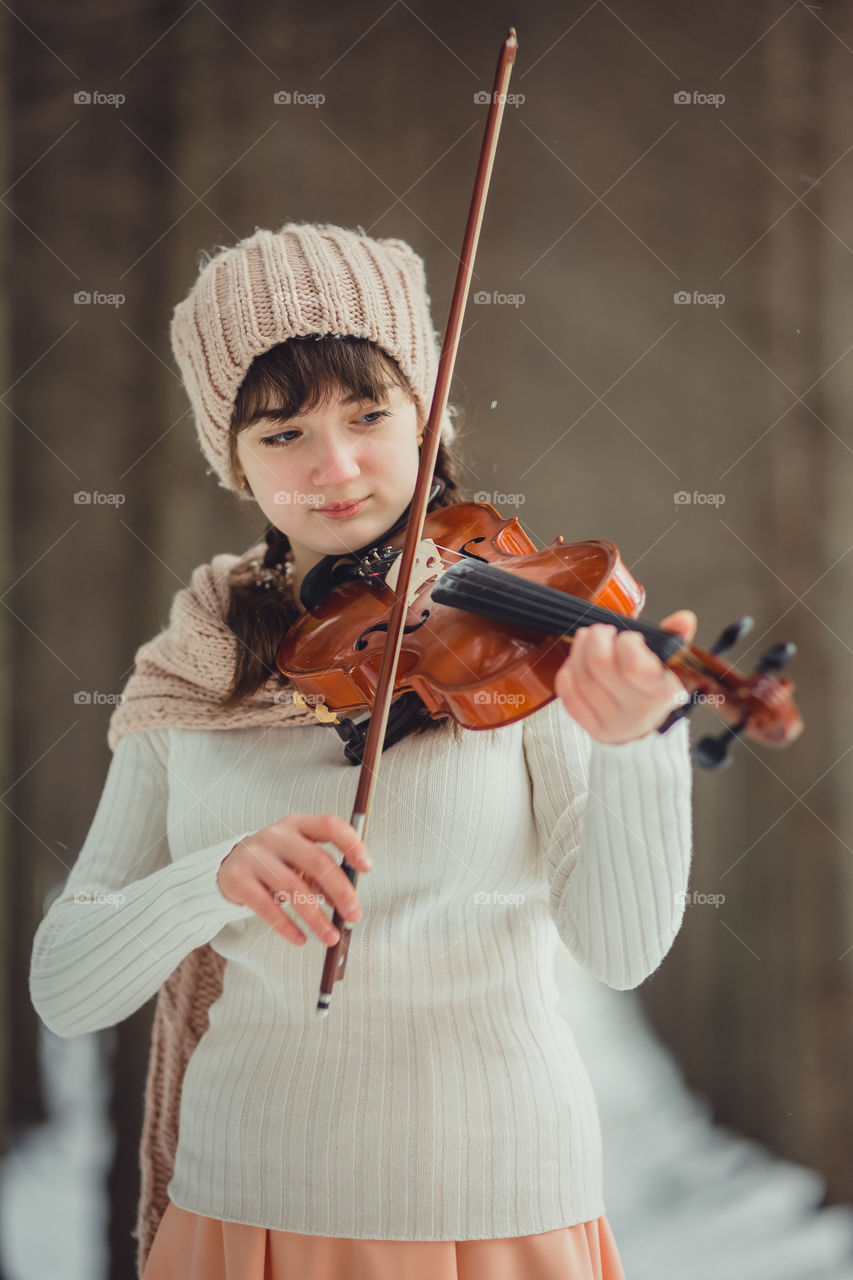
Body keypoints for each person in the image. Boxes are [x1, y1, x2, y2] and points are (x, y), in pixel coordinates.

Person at [30, 222, 696, 1280]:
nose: (334, 467)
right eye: (281, 434)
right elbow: (66, 986)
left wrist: (639, 747)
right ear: (231, 456)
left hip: (506, 1202)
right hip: (249, 1207)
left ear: (428, 414)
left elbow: (619, 950)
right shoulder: (192, 673)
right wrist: (213, 878)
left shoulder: (529, 645)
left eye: (370, 414)